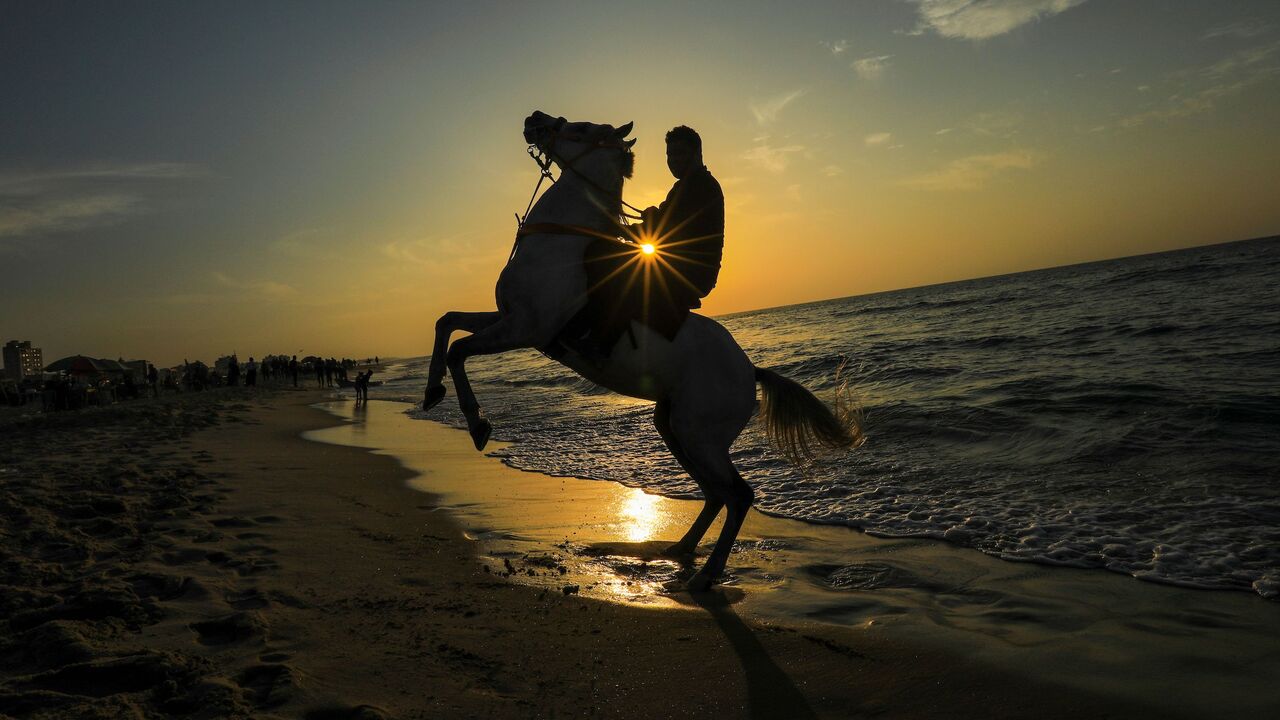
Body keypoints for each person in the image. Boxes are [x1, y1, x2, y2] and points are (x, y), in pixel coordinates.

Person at [582, 125, 724, 355]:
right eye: (669, 155)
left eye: (679, 153)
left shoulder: (700, 185)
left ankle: (602, 341)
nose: (672, 160)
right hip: (681, 266)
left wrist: (618, 230)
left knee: (602, 256)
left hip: (690, 271)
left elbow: (662, 225)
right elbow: (662, 220)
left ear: (698, 154)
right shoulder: (687, 185)